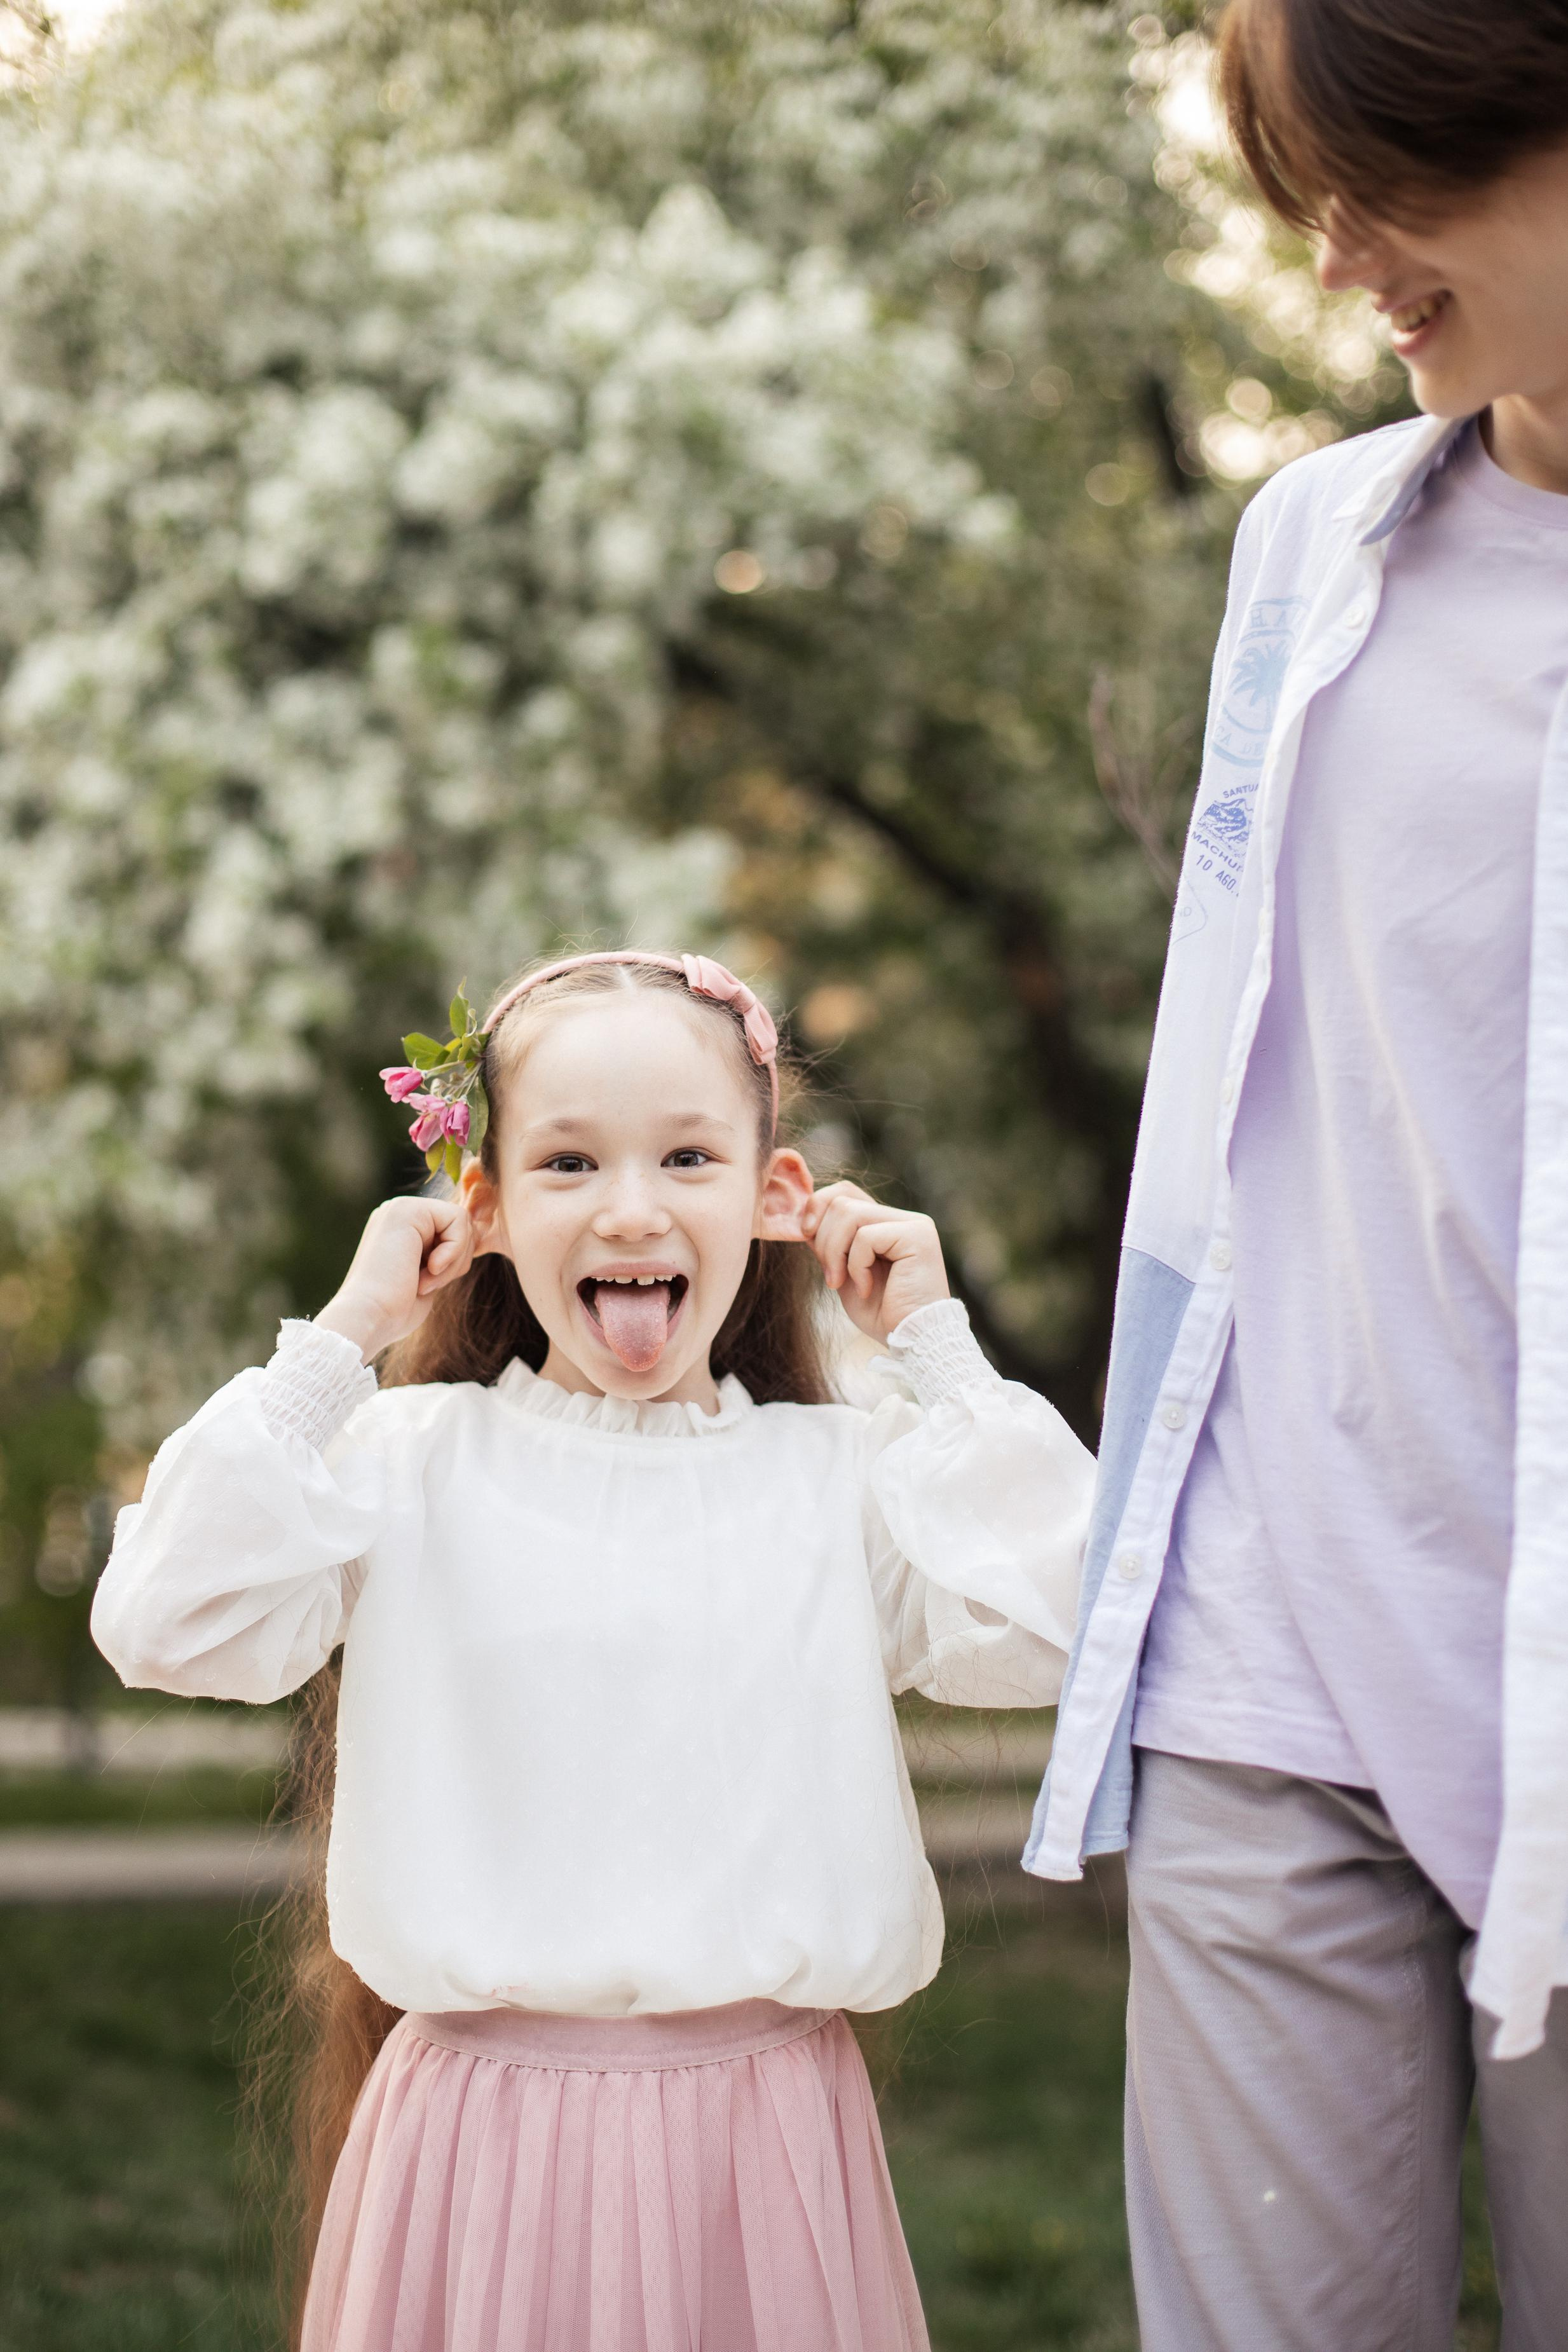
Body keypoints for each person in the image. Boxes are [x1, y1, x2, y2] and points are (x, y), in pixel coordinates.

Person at [91, 948, 1094, 2352]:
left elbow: (1070, 1624)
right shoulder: (403, 1461)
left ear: (775, 1195)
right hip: (475, 2151)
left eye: (688, 1153)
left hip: (765, 2145)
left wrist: (934, 1345)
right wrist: (342, 1338)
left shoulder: (840, 1476)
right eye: (566, 1162)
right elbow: (164, 1619)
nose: (632, 1206)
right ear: (481, 1207)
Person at [1025, 2, 1568, 2346]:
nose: (1336, 253)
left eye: (1390, 182)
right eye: (1301, 188)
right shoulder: (1313, 548)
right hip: (1277, 1648)